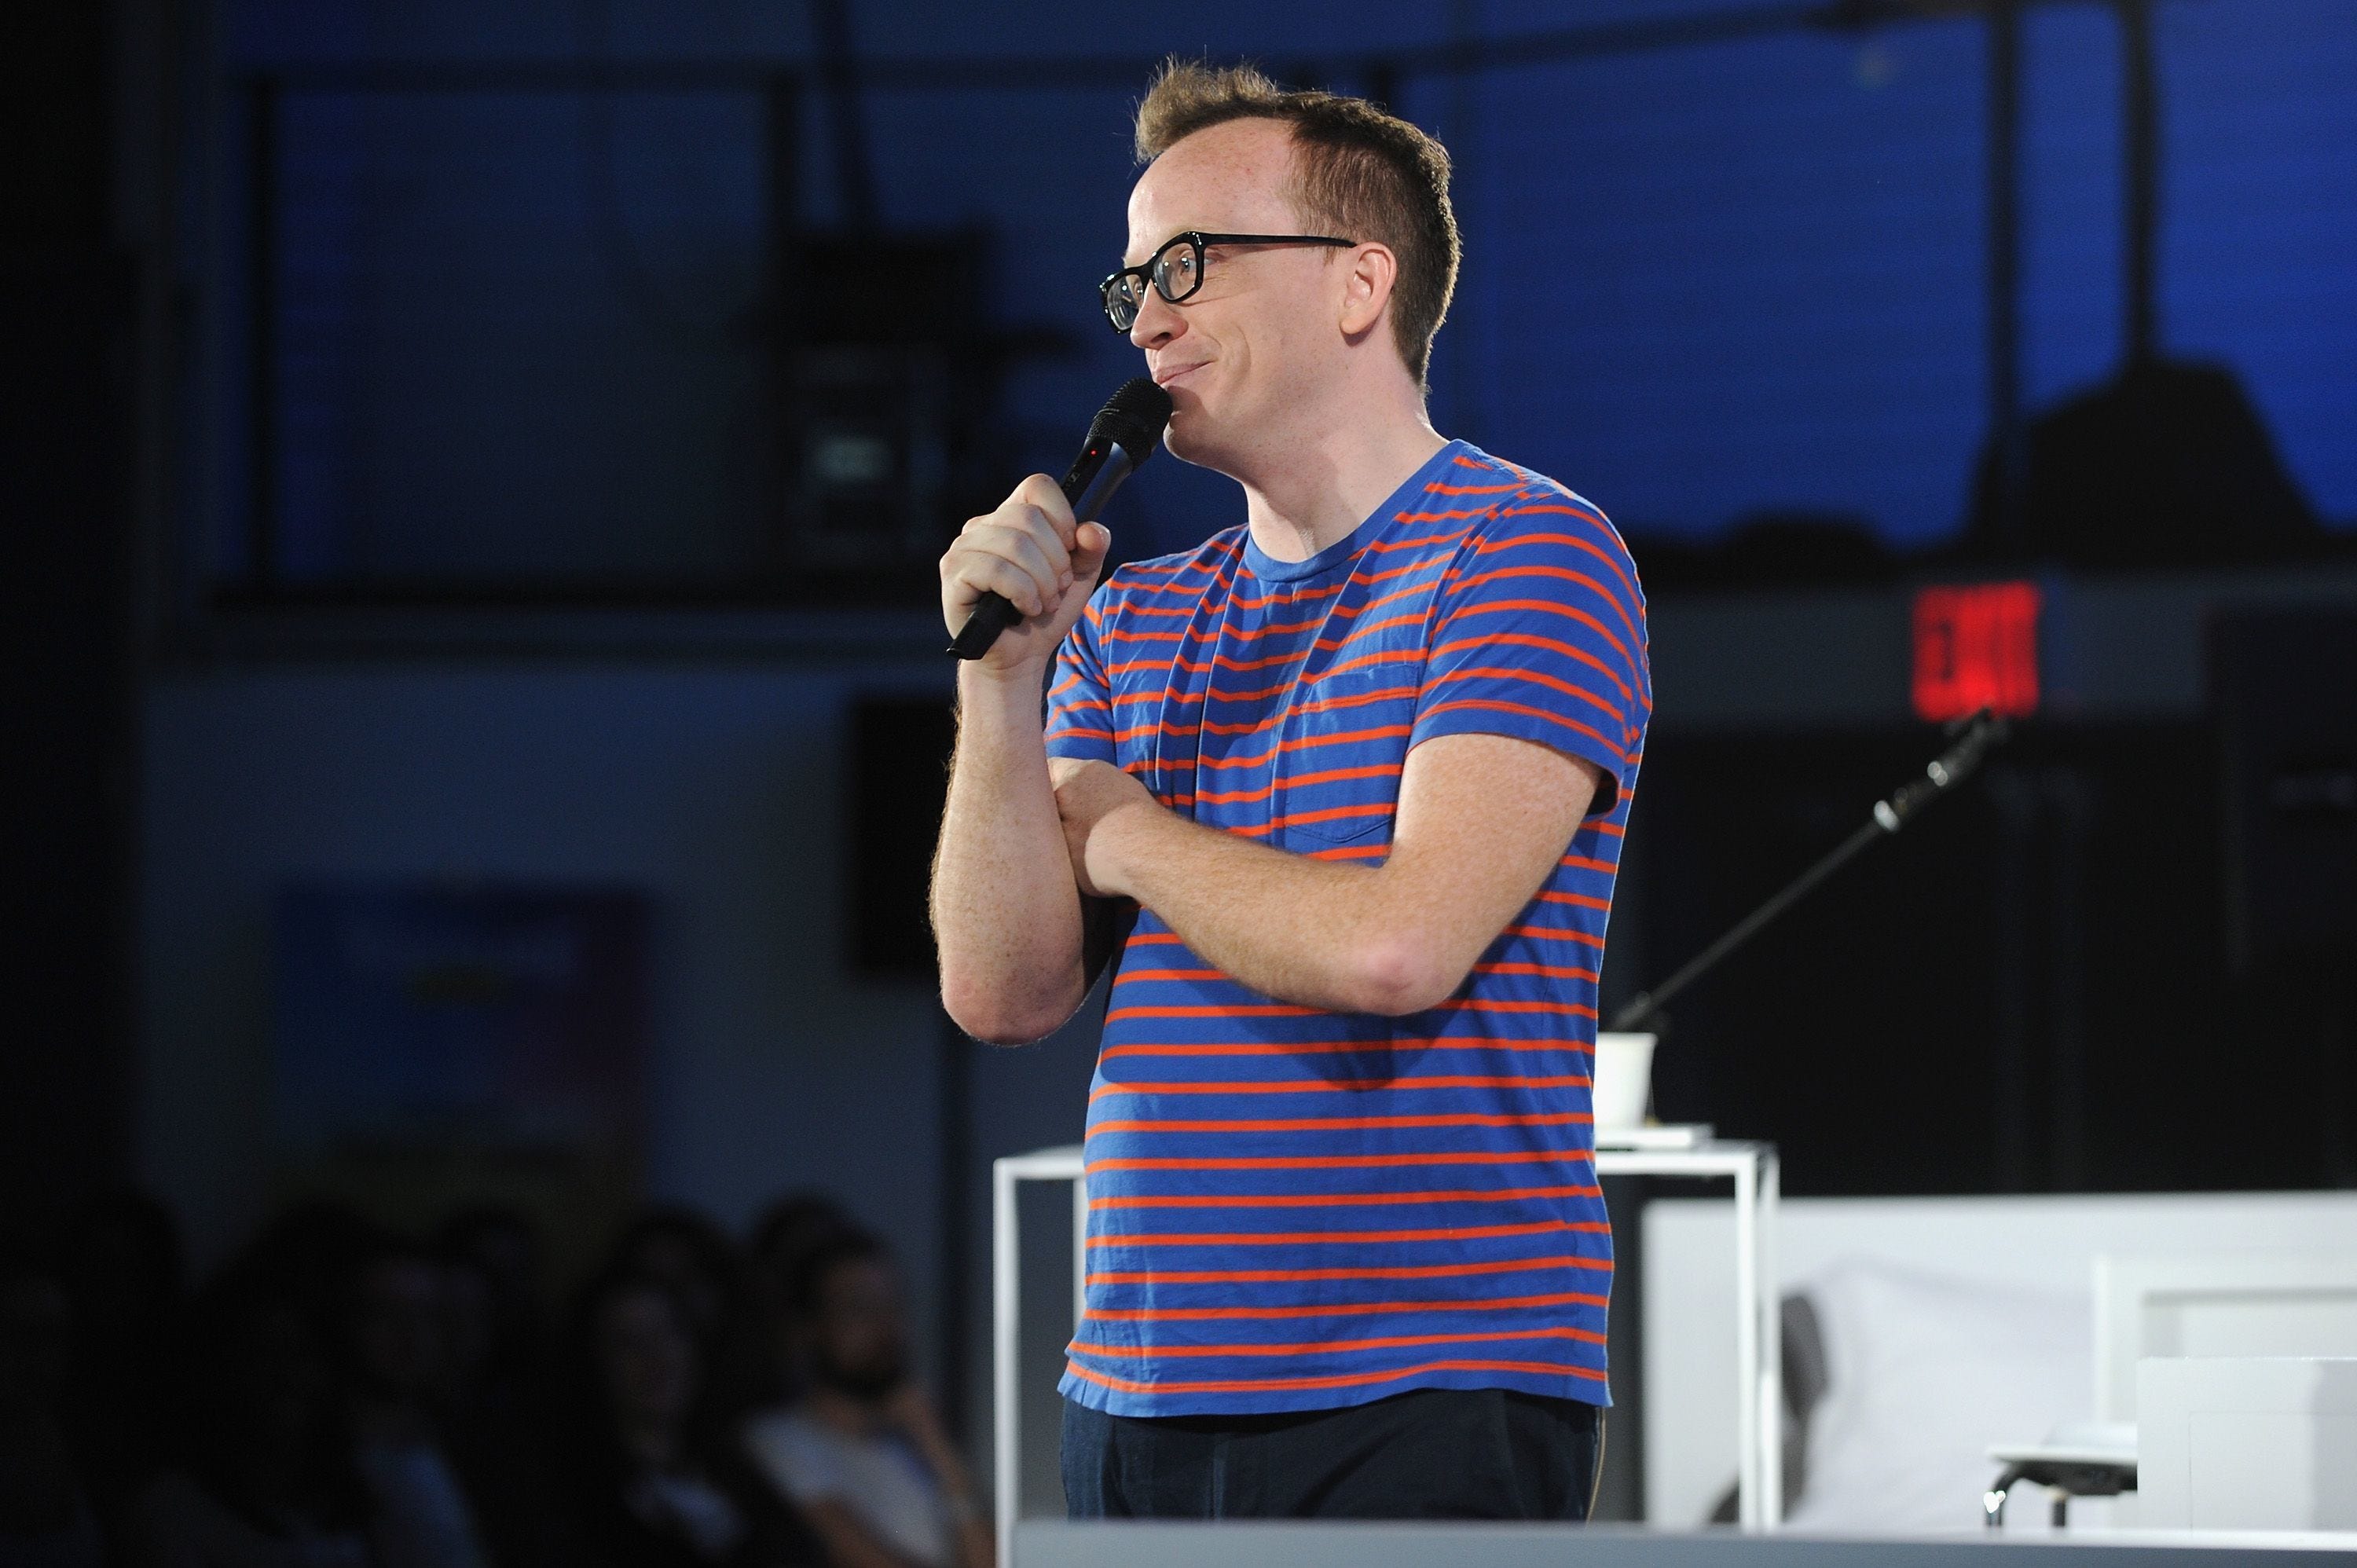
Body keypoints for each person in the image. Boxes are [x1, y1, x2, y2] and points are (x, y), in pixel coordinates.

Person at [929, 62, 1650, 1522]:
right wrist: (999, 693)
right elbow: (1001, 994)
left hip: (1426, 1377)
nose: (1147, 318)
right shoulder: (1128, 620)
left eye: (1189, 265)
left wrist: (1120, 831)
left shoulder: (1524, 556)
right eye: (1131, 283)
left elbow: (1398, 947)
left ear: (1358, 285)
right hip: (1137, 1382)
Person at [740, 1233, 988, 1568]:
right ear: (810, 1326)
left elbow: (996, 1559)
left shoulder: (913, 1446)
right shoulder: (779, 1439)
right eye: (859, 1308)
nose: (884, 1327)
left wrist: (935, 1444)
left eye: (893, 1305)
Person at [556, 1267, 818, 1568]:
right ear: (595, 1361)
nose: (655, 1359)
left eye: (666, 1332)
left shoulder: (747, 1459)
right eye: (628, 1342)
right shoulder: (585, 1498)